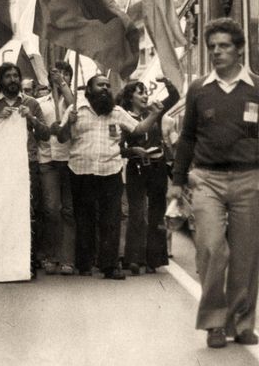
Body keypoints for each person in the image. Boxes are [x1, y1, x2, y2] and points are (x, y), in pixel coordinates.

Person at [168, 18, 259, 349]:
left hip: (250, 179)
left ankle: (243, 322)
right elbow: (188, 137)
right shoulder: (198, 89)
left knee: (247, 256)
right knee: (210, 249)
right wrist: (177, 182)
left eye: (223, 46)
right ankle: (214, 324)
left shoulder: (256, 88)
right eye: (212, 47)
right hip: (207, 179)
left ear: (239, 50)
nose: (217, 52)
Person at [58, 75, 164, 281]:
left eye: (108, 85)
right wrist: (66, 124)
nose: (105, 88)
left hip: (110, 171)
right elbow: (62, 138)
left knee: (111, 220)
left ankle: (109, 266)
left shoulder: (116, 112)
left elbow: (138, 128)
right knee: (84, 219)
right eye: (100, 85)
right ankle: (85, 264)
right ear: (89, 90)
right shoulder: (76, 110)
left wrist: (154, 115)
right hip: (81, 171)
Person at [0, 63, 50, 278]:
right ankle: (2, 259)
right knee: (1, 211)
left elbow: (45, 134)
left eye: (15, 76)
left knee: (29, 212)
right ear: (0, 81)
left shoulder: (32, 103)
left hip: (27, 163)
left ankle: (28, 259)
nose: (12, 79)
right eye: (7, 76)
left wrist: (31, 118)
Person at [118, 78, 180, 276]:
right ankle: (133, 259)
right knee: (136, 213)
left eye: (146, 92)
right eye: (140, 92)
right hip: (136, 167)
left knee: (156, 213)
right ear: (130, 97)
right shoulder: (122, 116)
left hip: (157, 167)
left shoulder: (154, 112)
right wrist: (133, 151)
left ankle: (154, 259)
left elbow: (175, 97)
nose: (145, 96)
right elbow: (118, 149)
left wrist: (168, 81)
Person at [37, 63, 76, 276]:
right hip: (48, 159)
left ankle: (67, 258)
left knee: (68, 210)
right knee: (52, 210)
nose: (62, 77)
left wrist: (62, 84)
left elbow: (72, 105)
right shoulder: (41, 103)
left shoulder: (74, 100)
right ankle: (52, 255)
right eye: (58, 74)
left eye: (66, 74)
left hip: (69, 159)